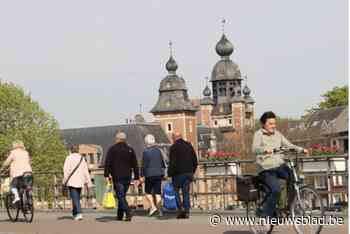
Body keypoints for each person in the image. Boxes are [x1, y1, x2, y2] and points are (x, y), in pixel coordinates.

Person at [252, 111, 308, 217]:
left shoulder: (278, 134)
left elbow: (288, 144)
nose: (273, 126)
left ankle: (290, 207)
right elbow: (255, 149)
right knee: (276, 189)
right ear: (264, 124)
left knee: (293, 178)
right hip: (266, 168)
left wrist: (301, 149)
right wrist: (265, 150)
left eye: (274, 123)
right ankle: (266, 214)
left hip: (279, 165)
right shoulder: (258, 134)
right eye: (270, 124)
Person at [104, 132, 140, 221]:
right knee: (122, 195)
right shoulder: (130, 149)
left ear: (117, 139)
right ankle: (119, 215)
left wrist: (106, 174)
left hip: (117, 176)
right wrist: (136, 177)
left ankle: (128, 212)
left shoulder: (112, 149)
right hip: (127, 176)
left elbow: (107, 163)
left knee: (120, 196)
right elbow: (135, 164)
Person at [168, 132, 198, 219]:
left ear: (174, 138)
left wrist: (170, 174)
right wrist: (192, 171)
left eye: (172, 138)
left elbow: (172, 163)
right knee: (186, 193)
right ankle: (187, 211)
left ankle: (180, 210)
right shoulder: (189, 145)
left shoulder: (173, 147)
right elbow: (195, 161)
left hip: (178, 174)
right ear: (181, 137)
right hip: (188, 173)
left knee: (176, 192)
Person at [63, 145, 92, 221]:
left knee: (74, 198)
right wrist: (88, 182)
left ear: (71, 150)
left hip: (71, 181)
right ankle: (75, 213)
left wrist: (64, 181)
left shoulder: (68, 158)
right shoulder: (82, 158)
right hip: (80, 181)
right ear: (78, 150)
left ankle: (79, 213)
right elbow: (86, 171)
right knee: (76, 197)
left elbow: (66, 171)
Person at [140, 134, 166, 217]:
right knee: (158, 193)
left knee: (147, 192)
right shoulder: (158, 151)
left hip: (149, 174)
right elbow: (162, 163)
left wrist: (142, 175)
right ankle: (160, 212)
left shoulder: (146, 152)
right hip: (159, 174)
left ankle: (153, 206)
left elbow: (144, 165)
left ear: (146, 142)